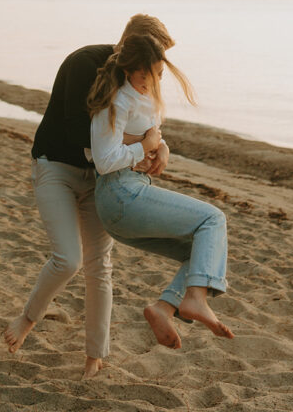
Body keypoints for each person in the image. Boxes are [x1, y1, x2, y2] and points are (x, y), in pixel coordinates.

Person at [4, 14, 175, 379]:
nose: (155, 74)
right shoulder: (84, 62)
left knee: (100, 266)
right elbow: (78, 130)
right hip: (56, 168)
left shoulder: (139, 80)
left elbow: (145, 126)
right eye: (153, 60)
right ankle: (28, 318)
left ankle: (94, 358)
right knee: (68, 260)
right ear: (135, 47)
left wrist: (160, 147)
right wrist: (141, 144)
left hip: (102, 176)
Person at [88, 33, 234, 349]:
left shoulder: (146, 99)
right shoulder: (117, 101)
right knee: (213, 219)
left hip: (132, 193)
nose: (151, 80)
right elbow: (104, 160)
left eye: (158, 74)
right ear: (128, 69)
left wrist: (161, 148)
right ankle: (195, 300)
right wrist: (145, 146)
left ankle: (164, 308)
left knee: (198, 253)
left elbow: (153, 137)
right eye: (145, 74)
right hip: (119, 195)